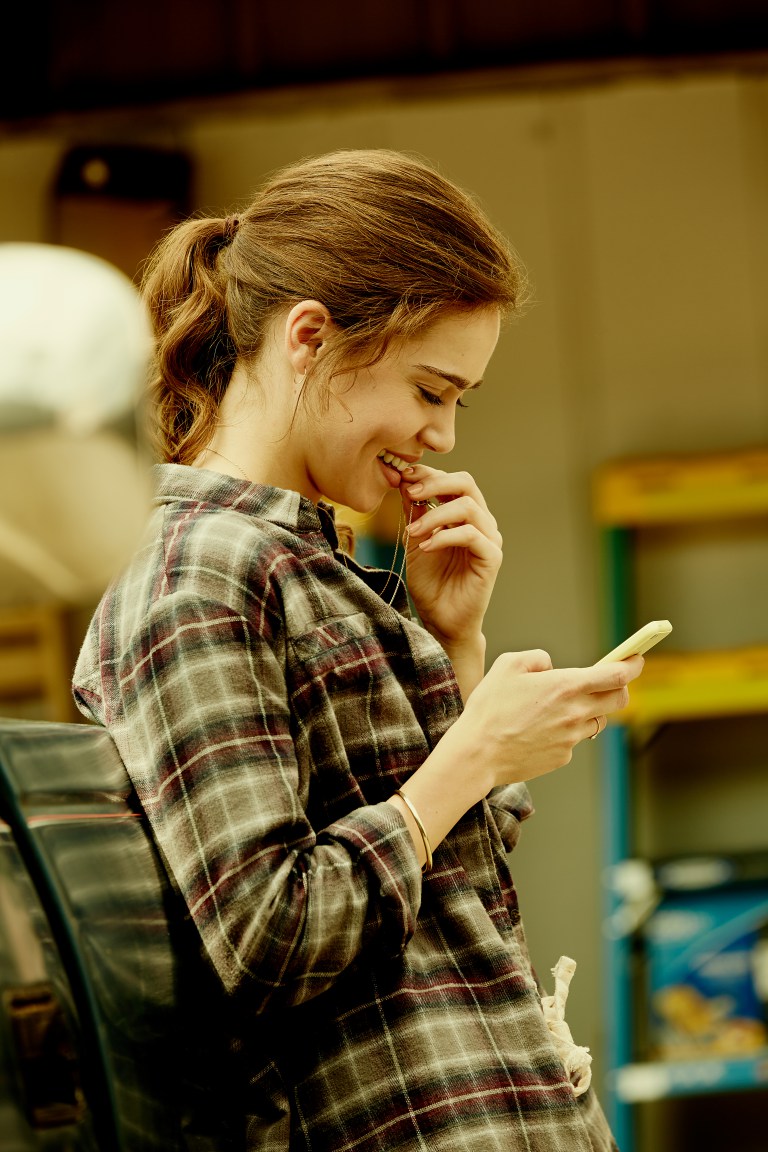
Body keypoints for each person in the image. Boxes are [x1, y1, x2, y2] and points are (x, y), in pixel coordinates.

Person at [73, 149, 642, 1152]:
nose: (443, 435)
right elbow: (269, 938)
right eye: (430, 390)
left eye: (460, 400)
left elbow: (449, 880)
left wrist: (452, 641)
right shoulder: (192, 577)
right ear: (309, 337)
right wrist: (480, 752)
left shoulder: (303, 562)